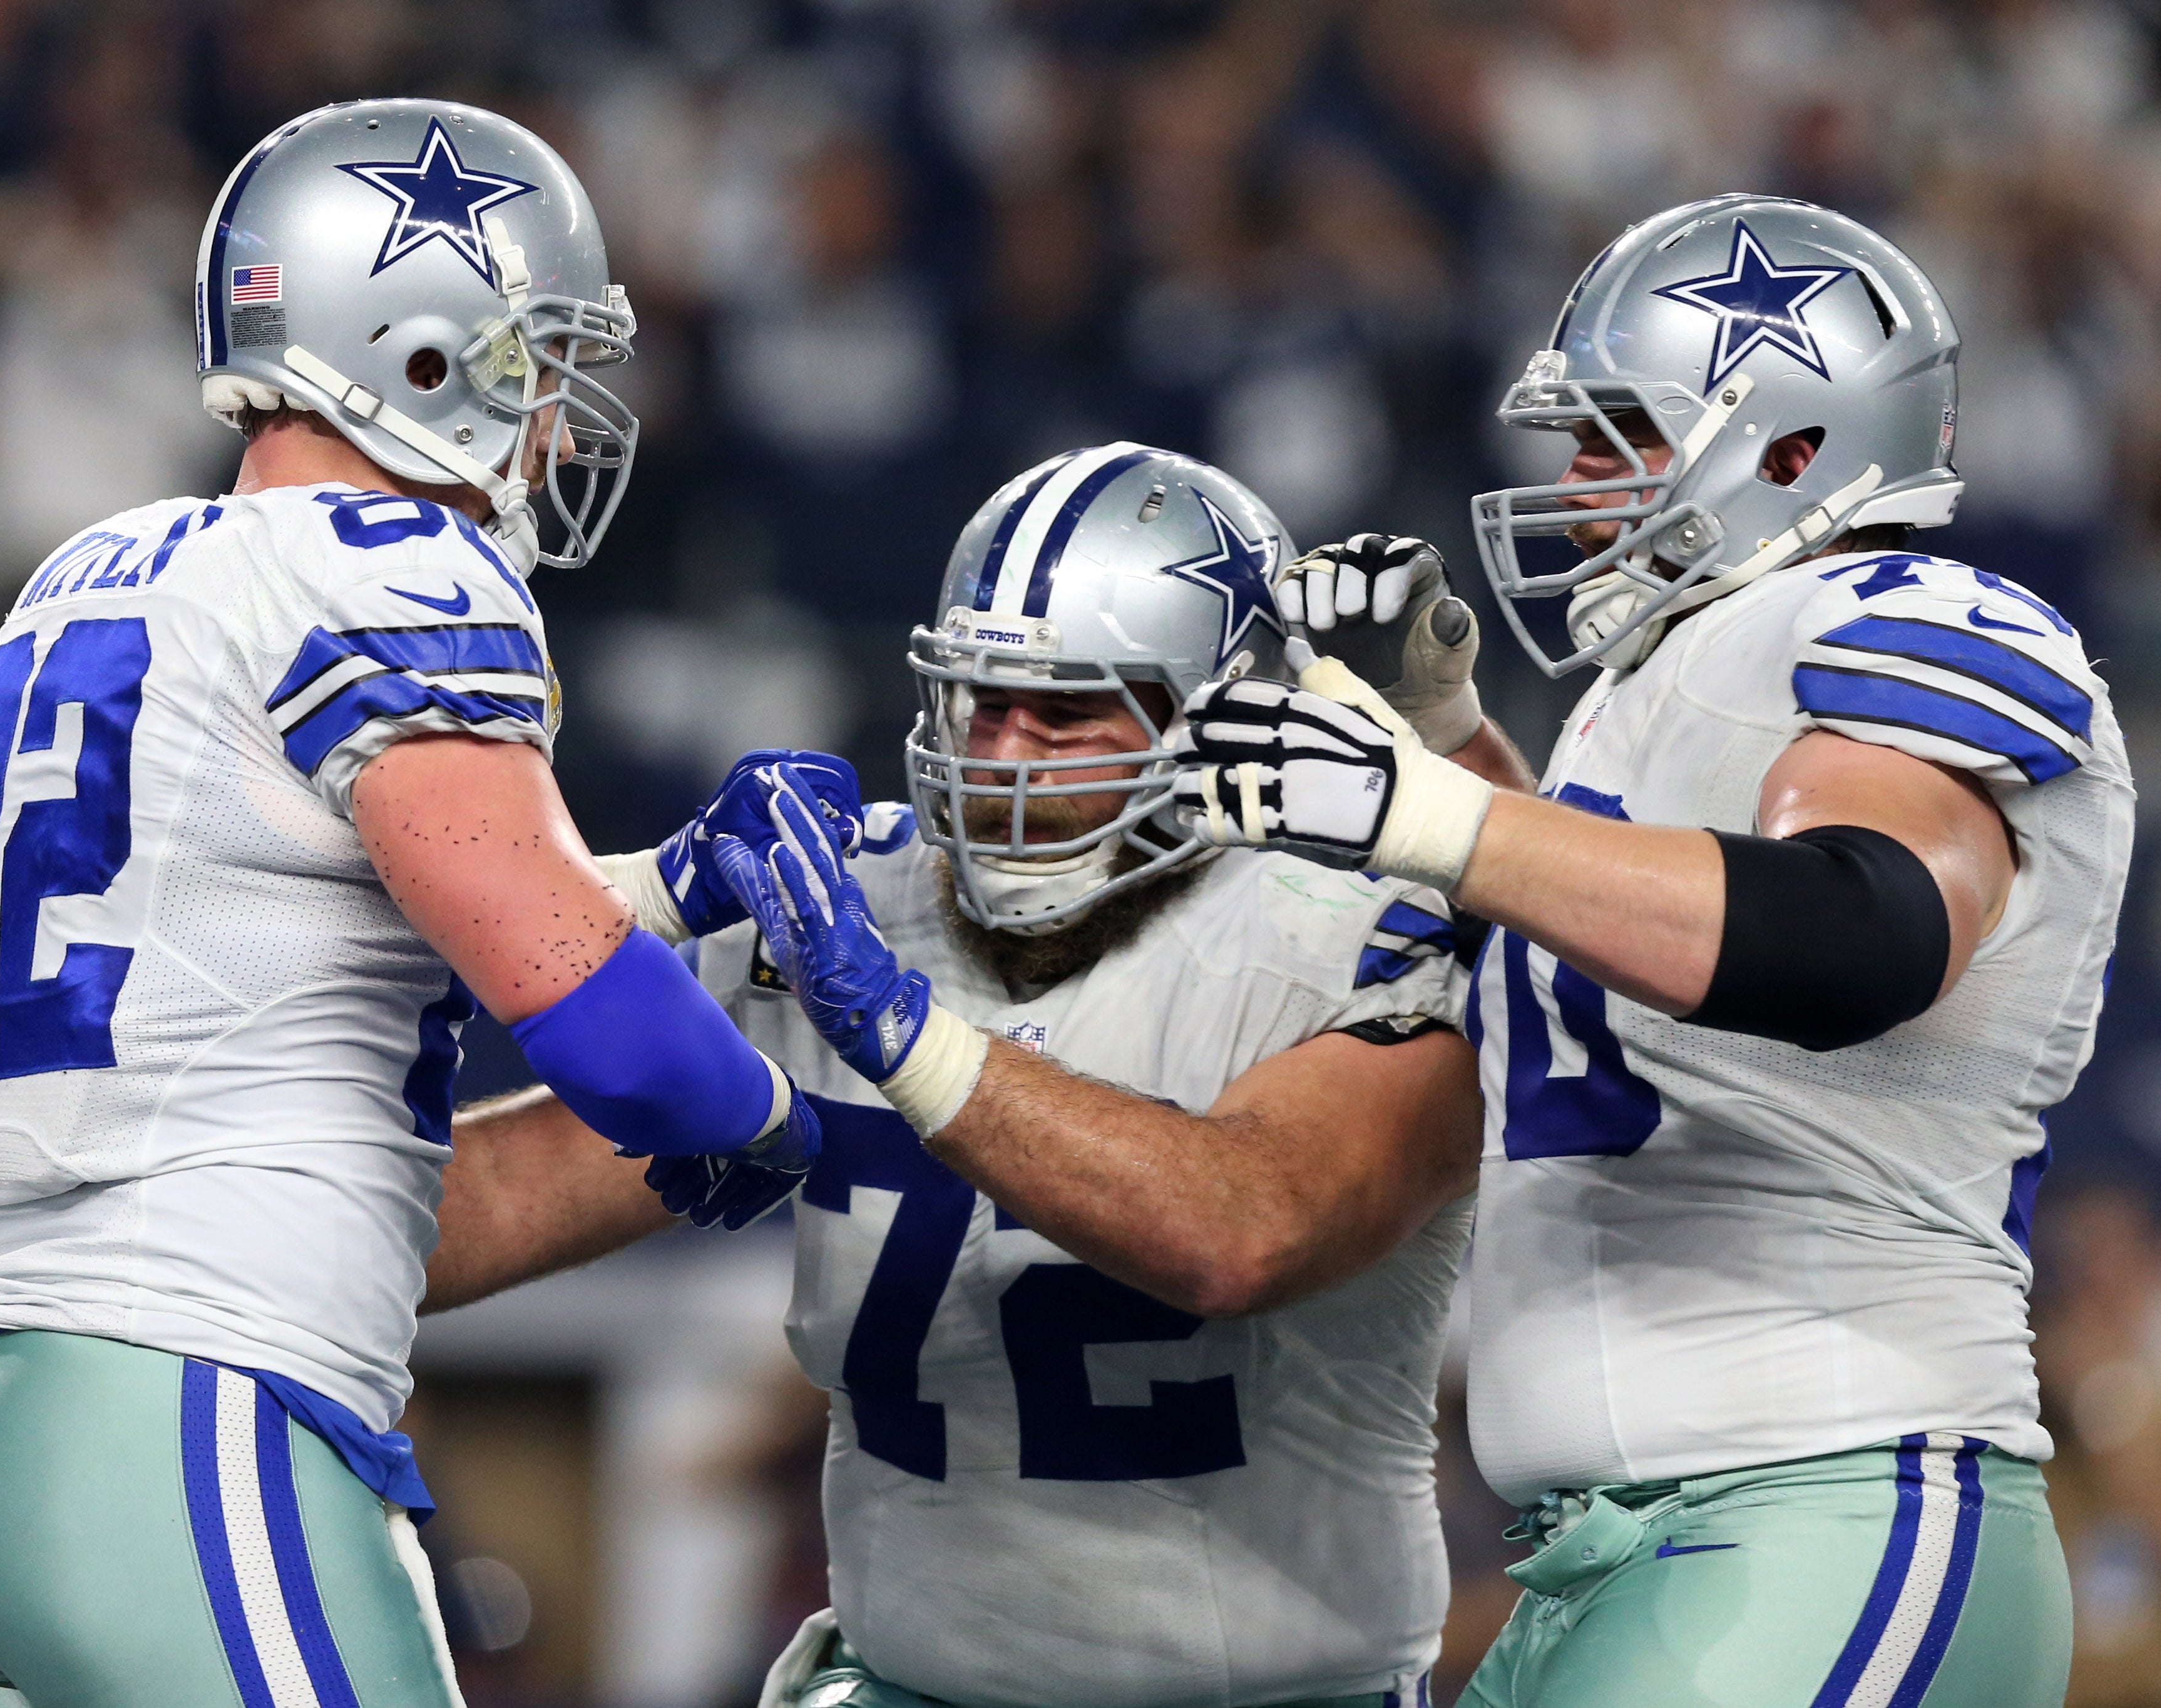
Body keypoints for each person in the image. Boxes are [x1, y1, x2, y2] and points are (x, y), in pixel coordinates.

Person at [0, 98, 836, 1708]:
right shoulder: (395, 566)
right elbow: (605, 1028)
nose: (558, 421)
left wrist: (671, 889)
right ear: (422, 352)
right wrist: (770, 1106)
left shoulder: (100, 572)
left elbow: (308, 1026)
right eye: (532, 359)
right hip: (186, 1430)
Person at [1175, 194, 2134, 1707]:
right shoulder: (1674, 674)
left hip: (1823, 1496)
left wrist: (1428, 813)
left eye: (1616, 434)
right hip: (1616, 1557)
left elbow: (1853, 932)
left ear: (1793, 447)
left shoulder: (1917, 608)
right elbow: (1608, 980)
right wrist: (1455, 749)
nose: (1569, 483)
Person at [424, 444, 1532, 1708]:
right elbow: (491, 1209)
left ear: (1225, 721)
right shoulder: (862, 913)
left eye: (1063, 713)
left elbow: (1248, 1226)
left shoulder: (1356, 924)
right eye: (977, 701)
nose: (1000, 754)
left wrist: (906, 1037)